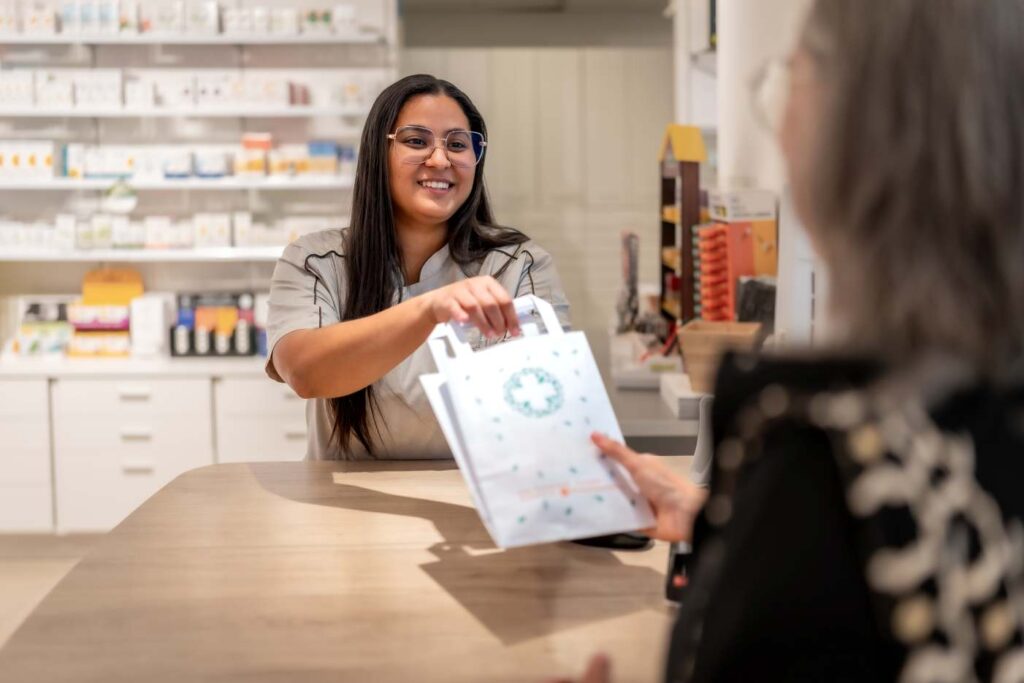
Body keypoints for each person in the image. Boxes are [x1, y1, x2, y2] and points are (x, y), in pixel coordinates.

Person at [558, 0, 1024, 681]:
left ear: (860, 130)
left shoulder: (833, 459)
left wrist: (782, 521)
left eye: (786, 77)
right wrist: (721, 518)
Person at [265, 74, 570, 460]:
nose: (440, 159)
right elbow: (306, 373)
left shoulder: (519, 265)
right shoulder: (316, 261)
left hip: (470, 500)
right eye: (416, 140)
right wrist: (429, 309)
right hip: (343, 506)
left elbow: (544, 401)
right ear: (379, 153)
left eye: (458, 144)